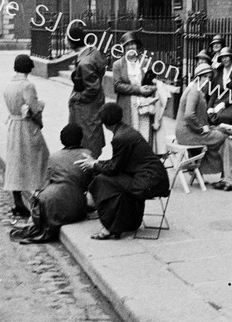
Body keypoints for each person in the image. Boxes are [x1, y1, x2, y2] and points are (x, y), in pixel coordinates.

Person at [81, 103, 170, 240]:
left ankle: (109, 225)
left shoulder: (120, 137)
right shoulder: (126, 130)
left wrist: (93, 165)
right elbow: (117, 164)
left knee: (103, 181)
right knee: (109, 181)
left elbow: (113, 168)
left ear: (104, 123)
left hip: (148, 181)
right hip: (153, 178)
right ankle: (117, 224)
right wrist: (95, 162)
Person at [9, 123, 92, 244]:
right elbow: (88, 183)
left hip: (52, 203)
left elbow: (46, 182)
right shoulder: (87, 154)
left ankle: (33, 223)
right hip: (78, 207)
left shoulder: (54, 157)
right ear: (81, 138)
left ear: (62, 140)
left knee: (40, 199)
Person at [4, 54, 50, 217]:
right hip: (26, 127)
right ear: (29, 68)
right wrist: (40, 111)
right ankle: (39, 198)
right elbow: (35, 109)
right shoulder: (27, 86)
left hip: (13, 126)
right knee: (41, 158)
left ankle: (17, 201)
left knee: (16, 162)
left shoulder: (10, 85)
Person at [175, 63, 228, 175]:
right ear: (198, 77)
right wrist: (200, 129)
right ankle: (215, 171)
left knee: (218, 131)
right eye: (205, 76)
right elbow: (189, 115)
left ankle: (200, 168)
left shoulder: (194, 89)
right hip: (187, 133)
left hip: (187, 131)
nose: (207, 80)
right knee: (221, 136)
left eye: (209, 77)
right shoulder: (194, 91)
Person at [67, 25, 107, 158]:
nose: (65, 41)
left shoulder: (85, 62)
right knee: (93, 132)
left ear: (72, 42)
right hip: (95, 103)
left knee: (87, 136)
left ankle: (89, 164)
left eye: (66, 39)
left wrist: (76, 97)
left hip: (86, 108)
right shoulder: (93, 52)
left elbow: (92, 89)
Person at [112, 31, 157, 142]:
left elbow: (154, 82)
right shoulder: (118, 64)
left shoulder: (146, 62)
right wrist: (138, 90)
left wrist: (150, 89)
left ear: (137, 46)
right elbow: (117, 86)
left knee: (144, 134)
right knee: (128, 135)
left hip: (144, 105)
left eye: (133, 44)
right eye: (127, 45)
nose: (130, 47)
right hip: (127, 104)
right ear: (123, 48)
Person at [207, 47, 232, 125]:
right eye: (222, 57)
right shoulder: (219, 71)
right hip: (220, 99)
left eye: (226, 56)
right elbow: (214, 91)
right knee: (208, 114)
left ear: (231, 57)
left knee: (227, 117)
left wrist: (224, 104)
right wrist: (209, 107)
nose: (224, 59)